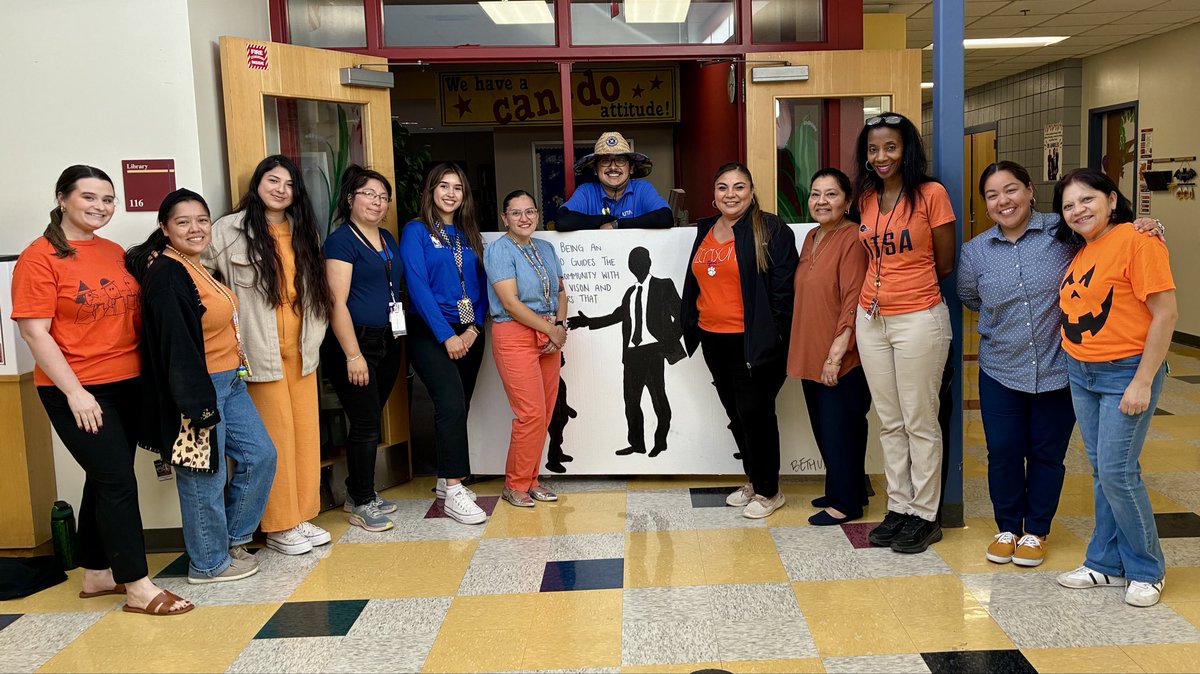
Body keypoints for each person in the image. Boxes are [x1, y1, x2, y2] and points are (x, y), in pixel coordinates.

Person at [957, 161, 1165, 568]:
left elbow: (1109, 238)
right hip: (1001, 366)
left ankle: (1036, 531)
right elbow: (971, 297)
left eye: (1012, 189)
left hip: (1059, 367)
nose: (1004, 201)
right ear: (984, 204)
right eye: (993, 195)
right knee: (1002, 451)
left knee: (1047, 453)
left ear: (1030, 190)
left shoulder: (1064, 230)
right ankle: (1007, 527)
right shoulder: (975, 250)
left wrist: (1146, 224)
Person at [11, 166, 192, 615]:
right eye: (89, 197)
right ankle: (137, 585)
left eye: (108, 199)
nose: (100, 206)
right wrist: (75, 393)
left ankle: (96, 573)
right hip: (78, 389)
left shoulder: (113, 251)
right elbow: (36, 333)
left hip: (127, 383)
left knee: (104, 476)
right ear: (62, 198)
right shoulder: (40, 257)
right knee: (117, 481)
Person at [129, 188, 276, 585]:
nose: (195, 228)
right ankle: (208, 564)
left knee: (260, 456)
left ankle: (229, 540)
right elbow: (176, 347)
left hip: (230, 381)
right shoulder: (166, 274)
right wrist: (198, 405)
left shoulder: (193, 265)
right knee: (203, 474)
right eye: (183, 222)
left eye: (201, 220)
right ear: (164, 227)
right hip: (198, 387)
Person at [1051, 168, 1176, 608]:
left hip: (1126, 371)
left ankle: (1146, 568)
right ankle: (1105, 562)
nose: (1078, 210)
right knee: (1103, 470)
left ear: (1110, 198)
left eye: (1087, 200)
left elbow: (1166, 314)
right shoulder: (1082, 250)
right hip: (1081, 371)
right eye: (1068, 205)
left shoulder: (1138, 241)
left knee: (1120, 472)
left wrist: (1143, 380)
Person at [203, 155, 332, 556]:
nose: (280, 189)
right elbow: (199, 274)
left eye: (289, 183)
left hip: (302, 349)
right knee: (275, 437)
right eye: (272, 180)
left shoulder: (302, 229)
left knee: (305, 436)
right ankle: (278, 525)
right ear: (257, 183)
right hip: (260, 354)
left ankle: (301, 514)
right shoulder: (229, 229)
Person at [853, 113, 956, 554]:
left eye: (890, 147)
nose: (881, 157)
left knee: (919, 419)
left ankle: (925, 514)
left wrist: (905, 289)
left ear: (907, 149)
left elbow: (945, 261)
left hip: (919, 317)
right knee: (890, 420)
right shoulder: (867, 197)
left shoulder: (931, 194)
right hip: (870, 317)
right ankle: (898, 506)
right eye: (873, 149)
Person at [681, 162, 797, 519]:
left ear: (751, 191)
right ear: (713, 195)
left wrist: (774, 336)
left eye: (739, 187)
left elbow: (784, 292)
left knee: (755, 413)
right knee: (737, 415)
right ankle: (756, 479)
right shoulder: (704, 229)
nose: (730, 194)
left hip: (753, 341)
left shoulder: (771, 229)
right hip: (714, 339)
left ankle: (769, 491)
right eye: (722, 188)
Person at [399, 163, 488, 525]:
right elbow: (418, 288)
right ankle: (454, 489)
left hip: (469, 330)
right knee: (449, 402)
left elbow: (482, 287)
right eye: (443, 186)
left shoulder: (469, 232)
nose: (450, 194)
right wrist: (447, 335)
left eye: (457, 188)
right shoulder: (416, 231)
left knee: (459, 406)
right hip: (429, 329)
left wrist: (473, 329)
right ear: (431, 191)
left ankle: (442, 480)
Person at [321, 166, 404, 533]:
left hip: (388, 339)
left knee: (369, 416)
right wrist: (353, 355)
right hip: (355, 342)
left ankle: (358, 492)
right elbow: (335, 303)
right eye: (368, 194)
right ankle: (362, 501)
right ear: (351, 198)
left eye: (382, 196)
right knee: (367, 422)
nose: (376, 201)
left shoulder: (385, 237)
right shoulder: (342, 241)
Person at [786, 168, 872, 526]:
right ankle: (841, 486)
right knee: (825, 427)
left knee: (842, 427)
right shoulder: (811, 236)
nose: (822, 201)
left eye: (831, 194)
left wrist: (836, 356)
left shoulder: (852, 238)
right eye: (815, 194)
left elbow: (853, 299)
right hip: (810, 348)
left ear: (848, 201)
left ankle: (848, 502)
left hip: (839, 355)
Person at [484, 190, 568, 507]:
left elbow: (561, 292)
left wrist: (558, 327)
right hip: (516, 334)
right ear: (505, 218)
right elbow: (509, 302)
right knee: (529, 414)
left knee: (544, 413)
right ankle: (515, 484)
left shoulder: (545, 248)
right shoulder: (497, 251)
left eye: (530, 211)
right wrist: (550, 329)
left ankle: (531, 480)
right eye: (516, 213)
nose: (524, 218)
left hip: (548, 335)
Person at [567, 247, 686, 458]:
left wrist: (668, 342)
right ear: (630, 267)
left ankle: (660, 441)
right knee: (631, 401)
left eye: (640, 261)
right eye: (633, 262)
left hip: (654, 351)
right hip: (632, 355)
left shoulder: (663, 285)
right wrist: (587, 322)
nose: (637, 266)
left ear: (649, 263)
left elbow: (681, 315)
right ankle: (637, 443)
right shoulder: (630, 293)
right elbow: (616, 316)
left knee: (659, 398)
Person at [556, 131, 672, 231]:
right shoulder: (586, 192)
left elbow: (665, 217)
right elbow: (562, 220)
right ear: (596, 169)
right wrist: (604, 221)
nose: (613, 167)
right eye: (605, 161)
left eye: (620, 160)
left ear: (631, 168)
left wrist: (617, 224)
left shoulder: (643, 189)